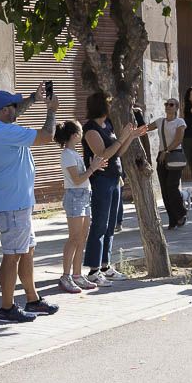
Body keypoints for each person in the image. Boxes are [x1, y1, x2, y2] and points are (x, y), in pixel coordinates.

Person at [0, 87, 61, 322]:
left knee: (26, 251)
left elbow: (16, 114)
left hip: (17, 203)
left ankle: (32, 299)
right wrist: (51, 110)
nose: (17, 109)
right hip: (13, 204)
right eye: (13, 106)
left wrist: (34, 99)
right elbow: (46, 136)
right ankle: (7, 308)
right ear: (4, 111)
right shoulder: (4, 133)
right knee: (12, 255)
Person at [82, 92, 147, 285]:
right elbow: (103, 155)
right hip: (100, 180)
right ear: (101, 106)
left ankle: (105, 265)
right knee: (100, 223)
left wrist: (131, 136)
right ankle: (93, 270)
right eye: (109, 103)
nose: (112, 107)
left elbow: (118, 152)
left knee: (111, 225)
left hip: (114, 177)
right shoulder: (91, 129)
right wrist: (123, 137)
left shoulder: (107, 124)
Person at [55, 120, 108, 294]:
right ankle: (66, 276)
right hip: (75, 197)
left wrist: (94, 167)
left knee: (82, 238)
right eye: (80, 131)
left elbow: (82, 177)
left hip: (84, 195)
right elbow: (77, 179)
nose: (82, 134)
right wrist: (92, 168)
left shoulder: (74, 153)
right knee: (74, 238)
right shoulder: (67, 154)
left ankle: (77, 275)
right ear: (74, 135)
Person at [152, 98, 188, 231]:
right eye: (166, 104)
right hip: (162, 157)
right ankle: (172, 220)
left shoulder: (180, 122)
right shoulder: (160, 121)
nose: (168, 106)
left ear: (176, 107)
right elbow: (145, 128)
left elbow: (179, 139)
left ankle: (181, 213)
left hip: (174, 156)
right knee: (164, 190)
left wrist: (166, 151)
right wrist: (137, 114)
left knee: (171, 186)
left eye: (171, 104)